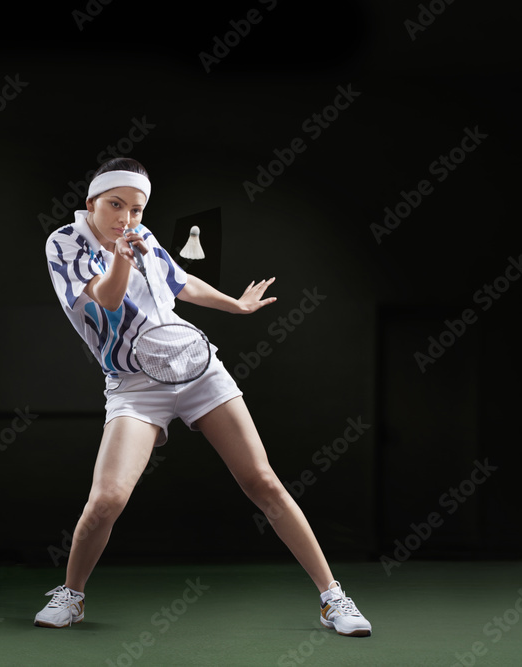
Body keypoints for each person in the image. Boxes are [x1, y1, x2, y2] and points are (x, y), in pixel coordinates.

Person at [36, 158, 370, 636]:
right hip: (134, 385)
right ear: (91, 202)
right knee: (107, 498)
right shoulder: (64, 244)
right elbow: (107, 300)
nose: (126, 218)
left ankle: (333, 597)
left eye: (136, 208)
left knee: (262, 480)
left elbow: (180, 282)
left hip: (196, 369)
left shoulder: (142, 237)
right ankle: (71, 595)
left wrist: (235, 305)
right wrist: (121, 260)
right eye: (115, 205)